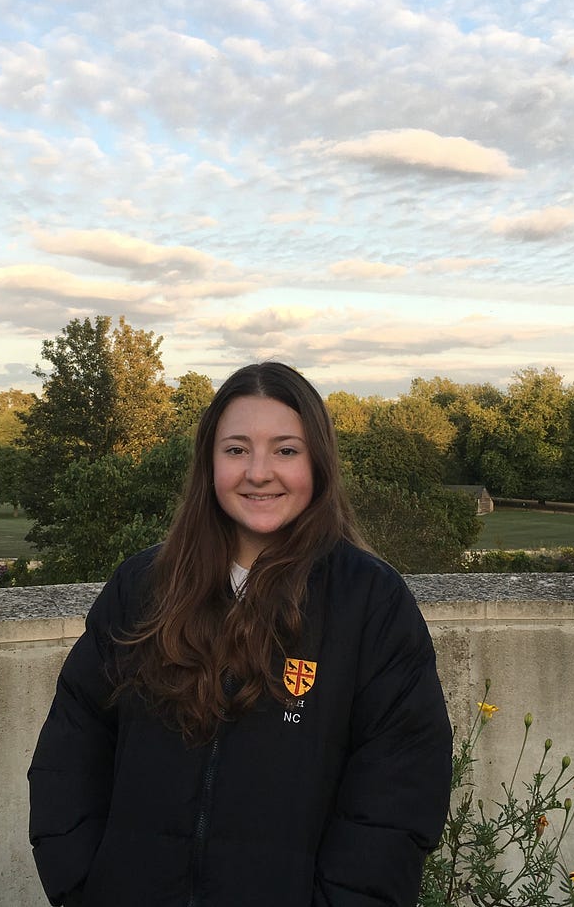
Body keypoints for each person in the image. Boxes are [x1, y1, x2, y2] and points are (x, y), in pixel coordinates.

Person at [28, 361, 452, 907]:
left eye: (285, 450)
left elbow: (399, 792)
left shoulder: (369, 601)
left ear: (317, 463)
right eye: (236, 449)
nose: (258, 472)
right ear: (209, 463)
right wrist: (84, 884)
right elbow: (72, 749)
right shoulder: (143, 586)